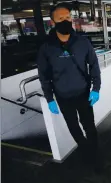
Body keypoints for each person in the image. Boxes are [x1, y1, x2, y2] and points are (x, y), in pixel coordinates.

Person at [37, 3, 101, 165]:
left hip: (83, 92)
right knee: (73, 126)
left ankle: (94, 153)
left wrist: (96, 88)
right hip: (62, 95)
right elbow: (43, 75)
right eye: (61, 18)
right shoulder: (46, 47)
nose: (66, 20)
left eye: (68, 17)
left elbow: (94, 65)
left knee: (89, 125)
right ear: (53, 22)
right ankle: (86, 150)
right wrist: (49, 98)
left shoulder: (82, 42)